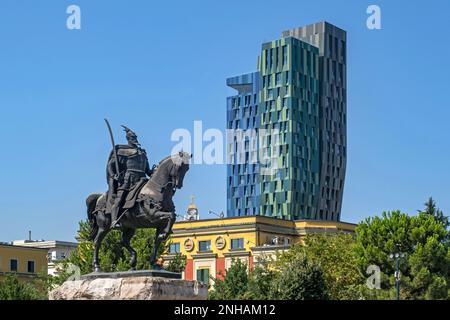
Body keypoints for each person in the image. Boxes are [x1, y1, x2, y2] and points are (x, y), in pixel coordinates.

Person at [106, 125, 153, 227]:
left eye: (135, 138)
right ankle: (114, 220)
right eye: (132, 138)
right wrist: (113, 175)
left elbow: (147, 170)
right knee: (120, 198)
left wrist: (153, 171)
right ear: (128, 139)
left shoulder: (142, 152)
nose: (135, 140)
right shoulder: (122, 151)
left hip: (142, 179)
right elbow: (111, 164)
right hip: (129, 179)